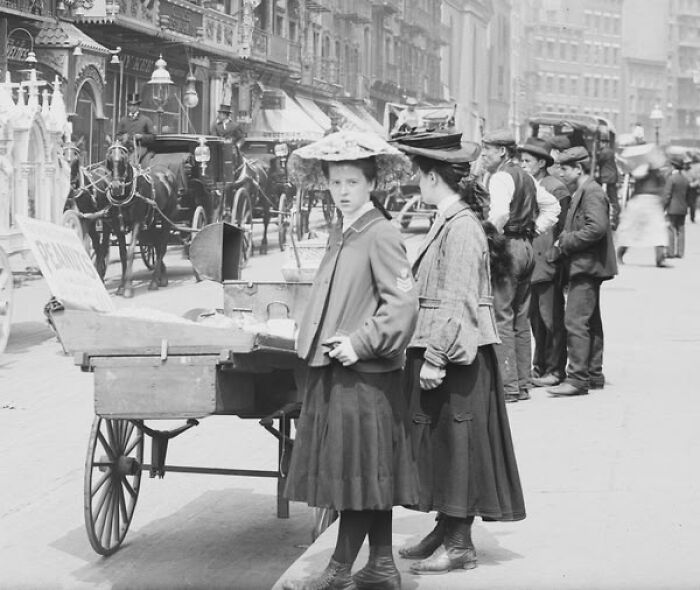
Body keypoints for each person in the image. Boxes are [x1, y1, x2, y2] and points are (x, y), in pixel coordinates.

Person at [282, 131, 419, 590]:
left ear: (371, 184)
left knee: (355, 475)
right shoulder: (346, 231)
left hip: (363, 377)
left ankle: (338, 572)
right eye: (336, 182)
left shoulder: (380, 232)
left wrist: (361, 342)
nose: (342, 191)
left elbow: (401, 306)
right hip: (337, 373)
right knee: (366, 473)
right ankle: (381, 566)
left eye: (352, 182)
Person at [392, 131, 526, 576]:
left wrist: (436, 357)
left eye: (417, 174)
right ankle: (444, 528)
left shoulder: (462, 226)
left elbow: (459, 297)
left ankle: (459, 543)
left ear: (433, 177)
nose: (415, 182)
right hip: (450, 350)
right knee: (444, 446)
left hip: (456, 356)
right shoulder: (451, 219)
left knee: (458, 448)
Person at [480, 130, 560, 403]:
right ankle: (522, 383)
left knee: (501, 316)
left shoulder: (501, 177)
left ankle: (508, 387)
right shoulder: (526, 176)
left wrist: (489, 234)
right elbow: (553, 207)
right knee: (520, 318)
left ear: (502, 151)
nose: (484, 155)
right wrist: (534, 231)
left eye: (488, 150)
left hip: (508, 247)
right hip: (526, 248)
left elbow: (500, 212)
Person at [547, 147, 617, 397]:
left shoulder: (591, 192)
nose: (561, 173)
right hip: (589, 264)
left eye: (564, 169)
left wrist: (565, 241)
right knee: (591, 321)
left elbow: (596, 228)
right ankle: (593, 373)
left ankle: (577, 378)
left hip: (586, 265)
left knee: (575, 321)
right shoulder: (588, 189)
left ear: (578, 168)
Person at [517, 137, 571, 388]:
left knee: (551, 319)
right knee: (535, 320)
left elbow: (563, 228)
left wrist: (556, 255)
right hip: (533, 262)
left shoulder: (556, 188)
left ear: (541, 162)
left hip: (548, 262)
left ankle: (556, 369)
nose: (523, 164)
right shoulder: (530, 183)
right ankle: (539, 366)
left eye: (527, 161)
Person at [616, 144, 669, 267]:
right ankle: (620, 254)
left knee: (657, 230)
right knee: (634, 229)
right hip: (643, 201)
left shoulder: (654, 171)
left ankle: (660, 258)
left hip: (649, 201)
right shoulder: (642, 169)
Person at [116, 93, 155, 164]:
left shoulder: (146, 120)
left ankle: (134, 174)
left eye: (134, 105)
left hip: (140, 148)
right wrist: (123, 137)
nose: (132, 107)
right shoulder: (123, 120)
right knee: (115, 158)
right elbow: (118, 135)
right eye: (130, 105)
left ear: (138, 106)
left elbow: (153, 137)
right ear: (128, 106)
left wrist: (142, 137)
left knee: (132, 159)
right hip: (125, 147)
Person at [665, 154, 691, 259]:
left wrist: (664, 206)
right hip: (683, 207)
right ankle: (680, 252)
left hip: (672, 207)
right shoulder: (685, 179)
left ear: (673, 166)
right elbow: (688, 195)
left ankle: (670, 252)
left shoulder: (671, 179)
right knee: (681, 229)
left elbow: (667, 194)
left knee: (671, 229)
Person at [597, 134, 620, 229]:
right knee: (613, 198)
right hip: (612, 177)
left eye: (601, 142)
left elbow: (598, 161)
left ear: (604, 143)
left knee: (605, 197)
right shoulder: (610, 151)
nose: (600, 144)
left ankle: (609, 218)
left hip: (606, 177)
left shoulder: (604, 152)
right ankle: (615, 218)